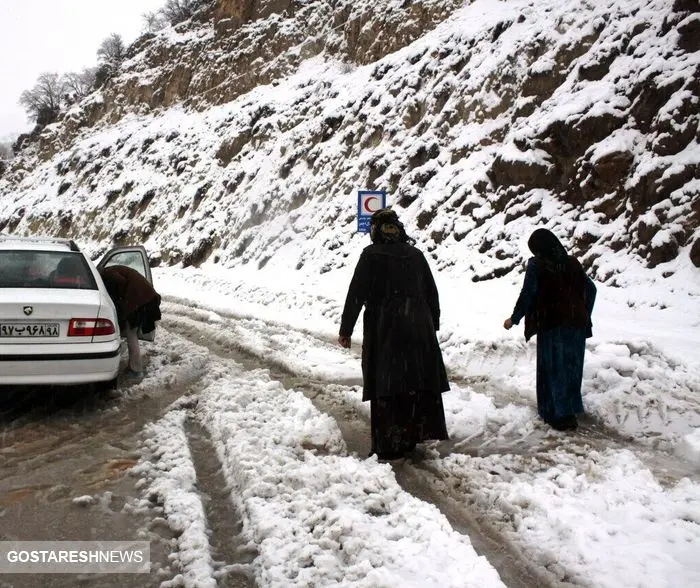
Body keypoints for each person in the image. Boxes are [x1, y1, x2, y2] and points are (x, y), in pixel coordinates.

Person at [338, 208, 450, 459]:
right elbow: (432, 292)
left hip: (386, 328)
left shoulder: (371, 255)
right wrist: (432, 324)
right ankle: (413, 434)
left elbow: (356, 294)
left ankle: (390, 443)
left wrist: (346, 329)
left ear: (376, 231)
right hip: (419, 327)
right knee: (415, 381)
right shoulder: (416, 254)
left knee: (388, 384)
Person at [503, 228, 597, 431]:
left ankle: (557, 414)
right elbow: (591, 289)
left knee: (553, 370)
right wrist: (583, 312)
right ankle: (569, 411)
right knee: (571, 369)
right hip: (576, 325)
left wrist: (515, 318)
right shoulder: (572, 262)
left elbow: (528, 292)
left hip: (553, 323)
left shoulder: (537, 265)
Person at [99, 265, 161, 381]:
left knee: (131, 333)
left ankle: (136, 370)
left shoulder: (107, 274)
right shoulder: (111, 270)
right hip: (145, 298)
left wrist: (120, 301)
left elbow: (120, 283)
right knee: (132, 332)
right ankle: (133, 366)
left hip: (138, 300)